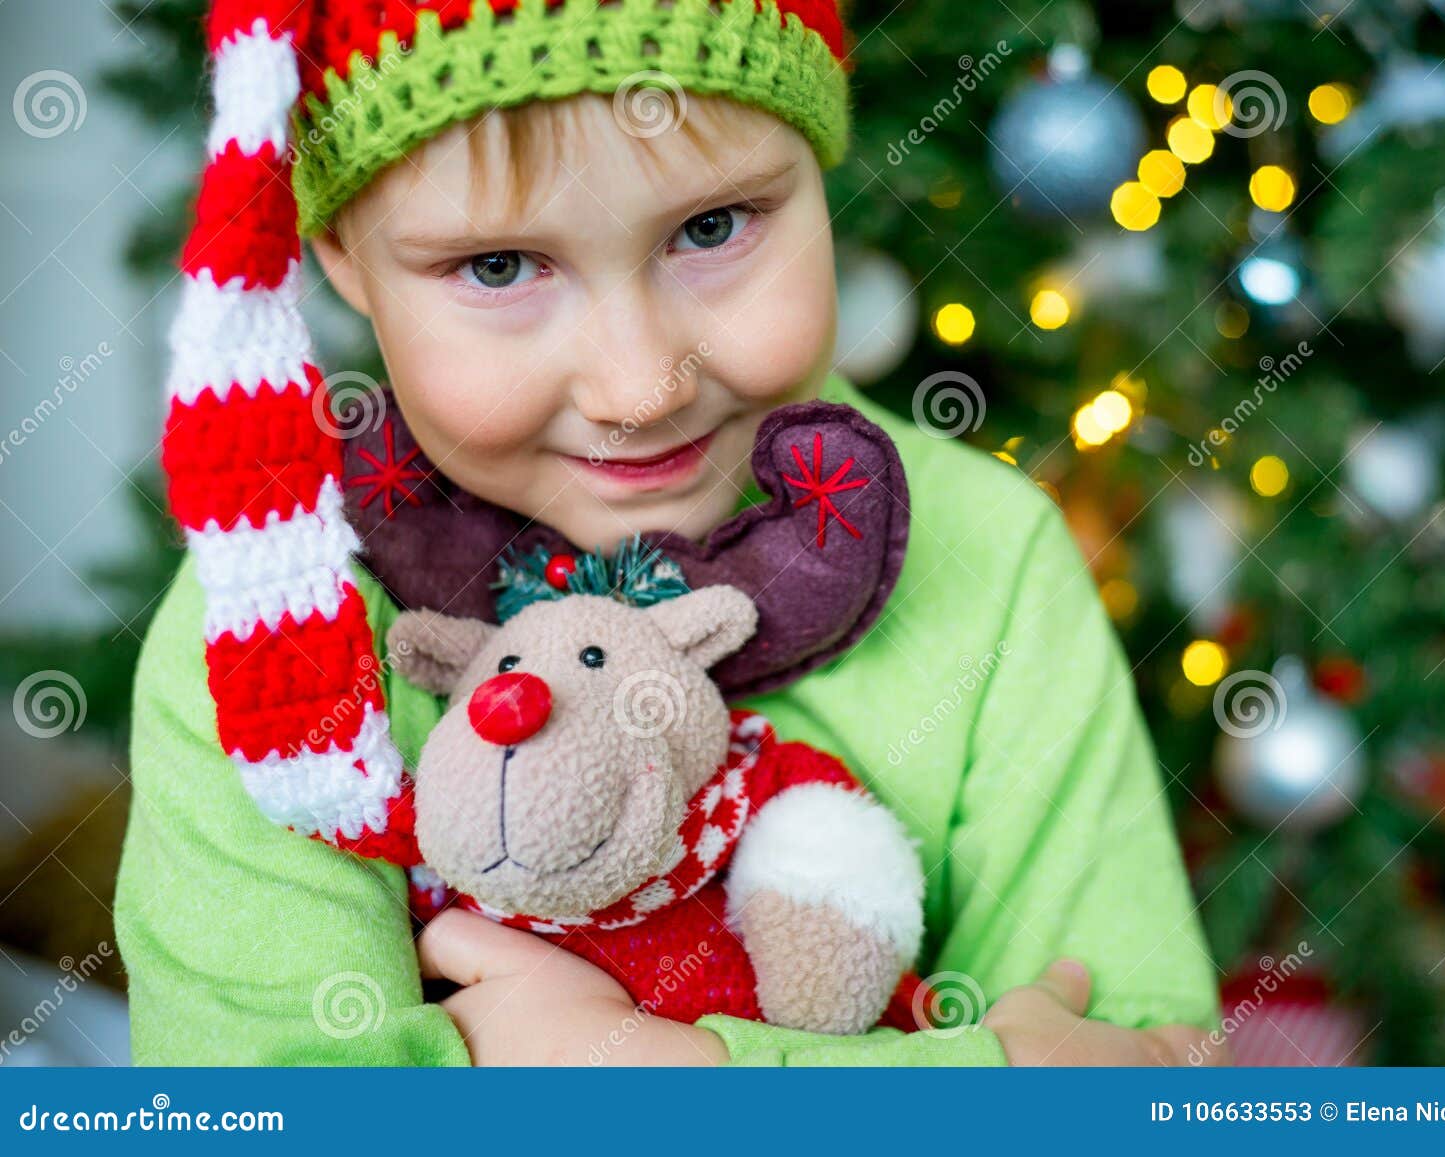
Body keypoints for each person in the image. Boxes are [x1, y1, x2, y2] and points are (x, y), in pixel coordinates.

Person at [116, 0, 1223, 1066]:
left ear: (817, 167)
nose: (641, 385)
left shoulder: (992, 554)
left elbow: (1137, 1068)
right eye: (498, 266)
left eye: (711, 226)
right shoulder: (277, 622)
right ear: (343, 258)